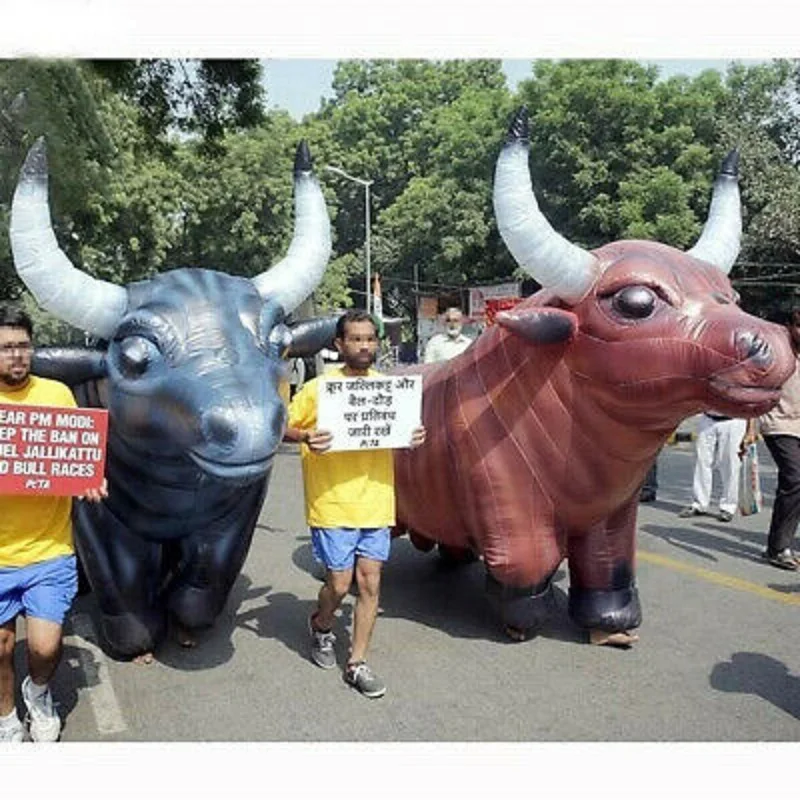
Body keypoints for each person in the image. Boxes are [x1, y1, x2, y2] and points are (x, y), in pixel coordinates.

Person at [284, 310, 425, 698]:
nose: (365, 346)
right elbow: (281, 426)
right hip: (331, 502)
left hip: (376, 500)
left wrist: (413, 435)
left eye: (370, 339)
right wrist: (304, 436)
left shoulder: (388, 390)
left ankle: (357, 663)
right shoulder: (318, 389)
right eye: (357, 339)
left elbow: (402, 431)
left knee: (370, 582)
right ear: (339, 345)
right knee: (339, 583)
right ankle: (322, 624)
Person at [0, 305, 107, 742]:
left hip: (49, 549)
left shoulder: (58, 395)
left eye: (23, 346)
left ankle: (39, 692)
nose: (17, 355)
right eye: (6, 348)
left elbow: (77, 458)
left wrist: (90, 480)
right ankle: (6, 718)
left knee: (44, 648)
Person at [748, 308, 800, 571]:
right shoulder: (777, 352)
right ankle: (778, 548)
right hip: (778, 424)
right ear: (790, 326)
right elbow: (757, 389)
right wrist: (750, 428)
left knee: (795, 483)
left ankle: (778, 543)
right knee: (794, 477)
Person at [678, 412, 748, 522]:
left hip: (733, 420)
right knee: (700, 462)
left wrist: (752, 429)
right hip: (708, 418)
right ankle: (699, 504)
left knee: (730, 465)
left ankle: (728, 507)